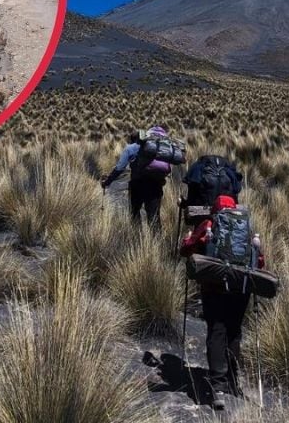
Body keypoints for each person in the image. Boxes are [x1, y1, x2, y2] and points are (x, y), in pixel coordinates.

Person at [179, 193, 265, 411]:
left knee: (217, 330)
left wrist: (189, 239)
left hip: (215, 286)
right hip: (241, 287)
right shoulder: (246, 228)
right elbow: (259, 261)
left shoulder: (210, 224)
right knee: (234, 331)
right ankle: (233, 380)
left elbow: (186, 249)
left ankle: (217, 385)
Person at [101, 125, 173, 226]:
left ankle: (137, 239)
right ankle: (156, 241)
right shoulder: (156, 149)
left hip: (137, 185)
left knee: (135, 215)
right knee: (154, 218)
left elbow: (119, 168)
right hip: (155, 186)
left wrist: (107, 182)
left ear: (132, 139)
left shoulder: (130, 148)